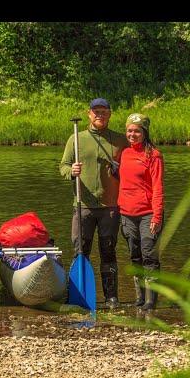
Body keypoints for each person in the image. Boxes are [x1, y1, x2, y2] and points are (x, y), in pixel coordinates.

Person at [60, 98, 129, 309]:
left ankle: (111, 297)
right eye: (96, 111)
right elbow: (63, 166)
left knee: (109, 251)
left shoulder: (120, 141)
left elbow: (131, 168)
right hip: (84, 206)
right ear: (89, 114)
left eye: (104, 111)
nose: (100, 115)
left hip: (110, 207)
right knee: (81, 250)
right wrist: (70, 172)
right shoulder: (76, 139)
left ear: (110, 114)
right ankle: (79, 294)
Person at [118, 113, 164, 312]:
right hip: (127, 214)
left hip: (148, 214)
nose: (132, 134)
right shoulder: (125, 154)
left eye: (136, 131)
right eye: (129, 130)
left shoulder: (153, 155)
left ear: (144, 132)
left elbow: (158, 188)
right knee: (135, 255)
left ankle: (151, 300)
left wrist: (157, 216)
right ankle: (139, 297)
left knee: (149, 255)